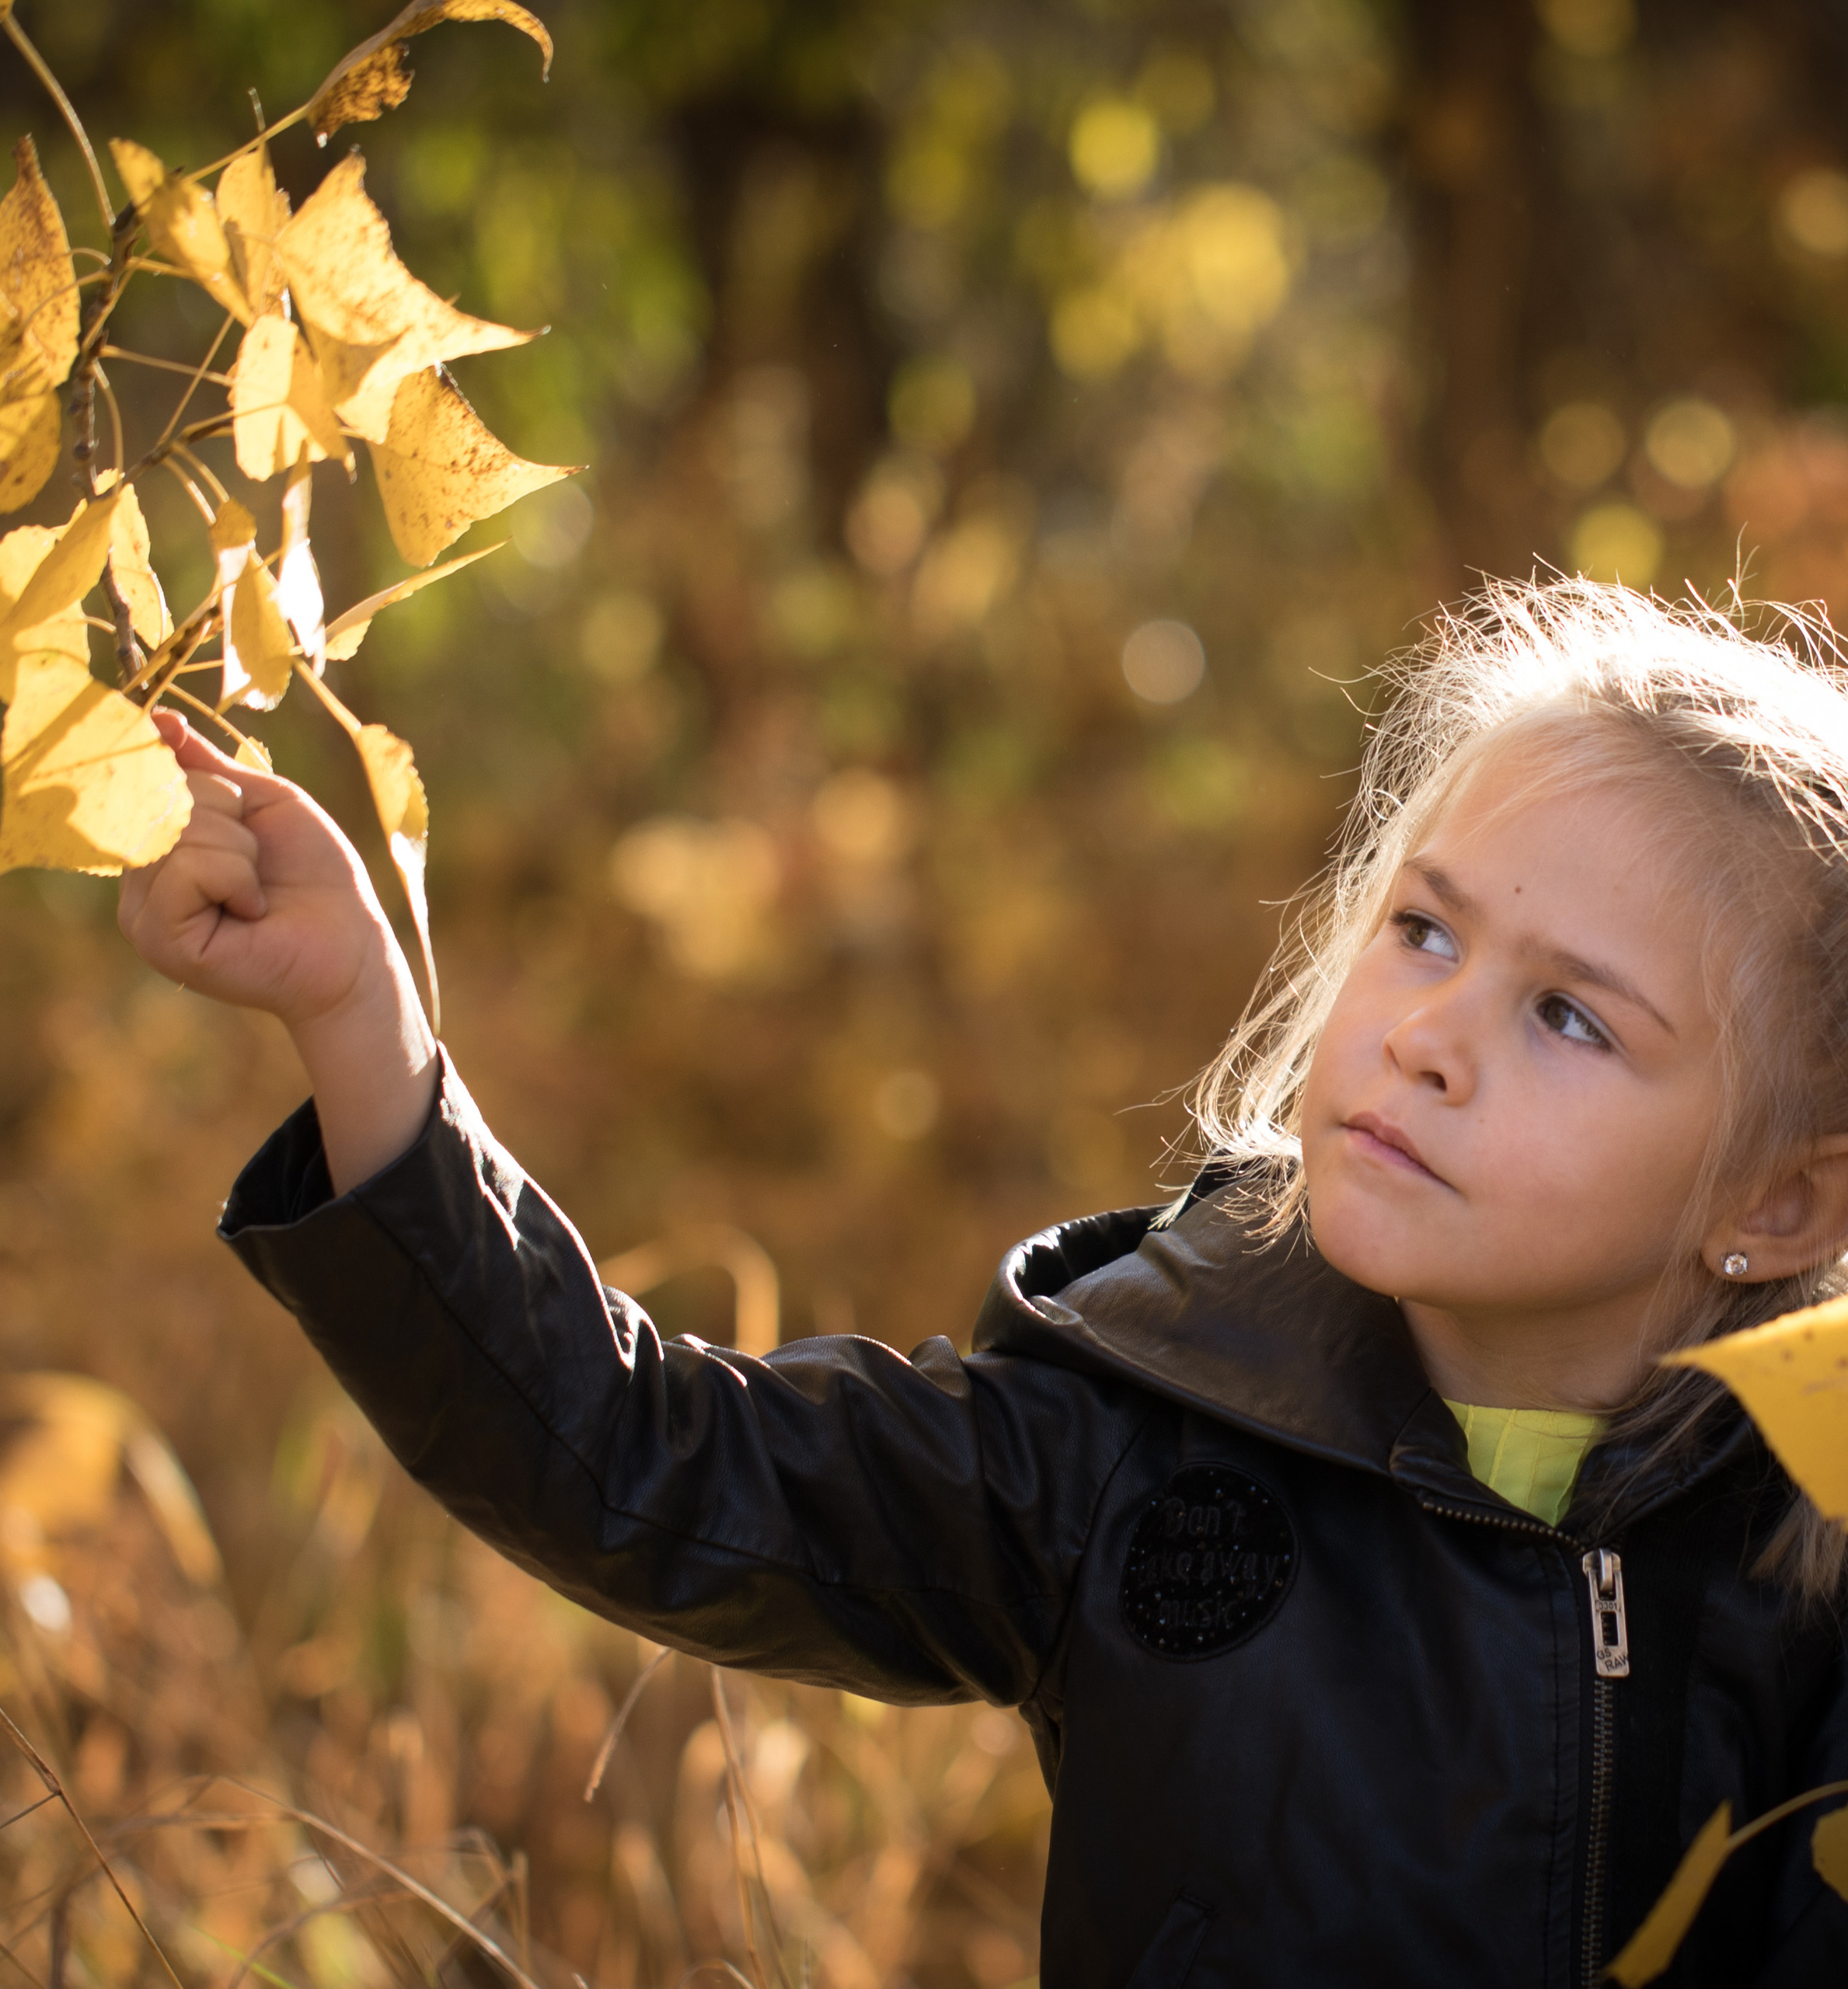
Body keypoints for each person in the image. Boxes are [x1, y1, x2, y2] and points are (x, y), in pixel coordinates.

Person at [120, 578, 1848, 1987]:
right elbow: (640, 1456)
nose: (1426, 1036)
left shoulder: (1804, 1554)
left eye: (1566, 1013)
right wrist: (362, 1021)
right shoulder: (1135, 1437)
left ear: (1778, 1200)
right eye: (1423, 929)